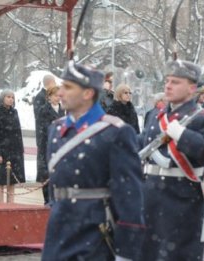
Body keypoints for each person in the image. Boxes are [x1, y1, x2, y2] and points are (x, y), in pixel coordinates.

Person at [42, 62, 144, 261]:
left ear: (88, 93)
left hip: (94, 232)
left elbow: (130, 196)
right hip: (59, 230)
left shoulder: (116, 132)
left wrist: (127, 252)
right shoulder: (56, 129)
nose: (60, 93)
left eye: (68, 87)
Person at [139, 60, 204, 261]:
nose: (168, 85)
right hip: (150, 197)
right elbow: (141, 143)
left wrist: (182, 135)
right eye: (167, 81)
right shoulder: (155, 116)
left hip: (182, 200)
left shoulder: (200, 117)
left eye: (175, 82)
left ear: (192, 88)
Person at [0, 89, 25, 204]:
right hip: (3, 150)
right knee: (1, 179)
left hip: (14, 150)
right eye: (8, 97)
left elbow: (18, 131)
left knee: (12, 179)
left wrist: (21, 149)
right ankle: (0, 203)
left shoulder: (14, 112)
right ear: (2, 98)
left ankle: (11, 202)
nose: (11, 99)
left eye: (12, 97)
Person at [36, 86, 64, 205]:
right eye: (56, 95)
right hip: (47, 145)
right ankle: (47, 200)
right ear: (49, 97)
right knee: (46, 174)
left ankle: (57, 198)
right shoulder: (44, 110)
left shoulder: (62, 110)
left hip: (59, 146)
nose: (58, 98)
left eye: (59, 96)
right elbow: (43, 129)